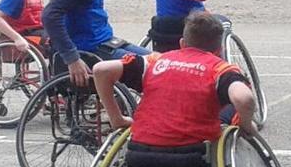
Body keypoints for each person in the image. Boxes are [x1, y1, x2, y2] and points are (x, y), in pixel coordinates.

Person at [93, 11, 257, 141]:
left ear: (182, 44)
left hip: (141, 149)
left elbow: (101, 70)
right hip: (194, 152)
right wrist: (246, 126)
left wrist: (117, 118)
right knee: (229, 104)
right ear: (219, 50)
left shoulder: (155, 61)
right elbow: (244, 99)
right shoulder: (221, 70)